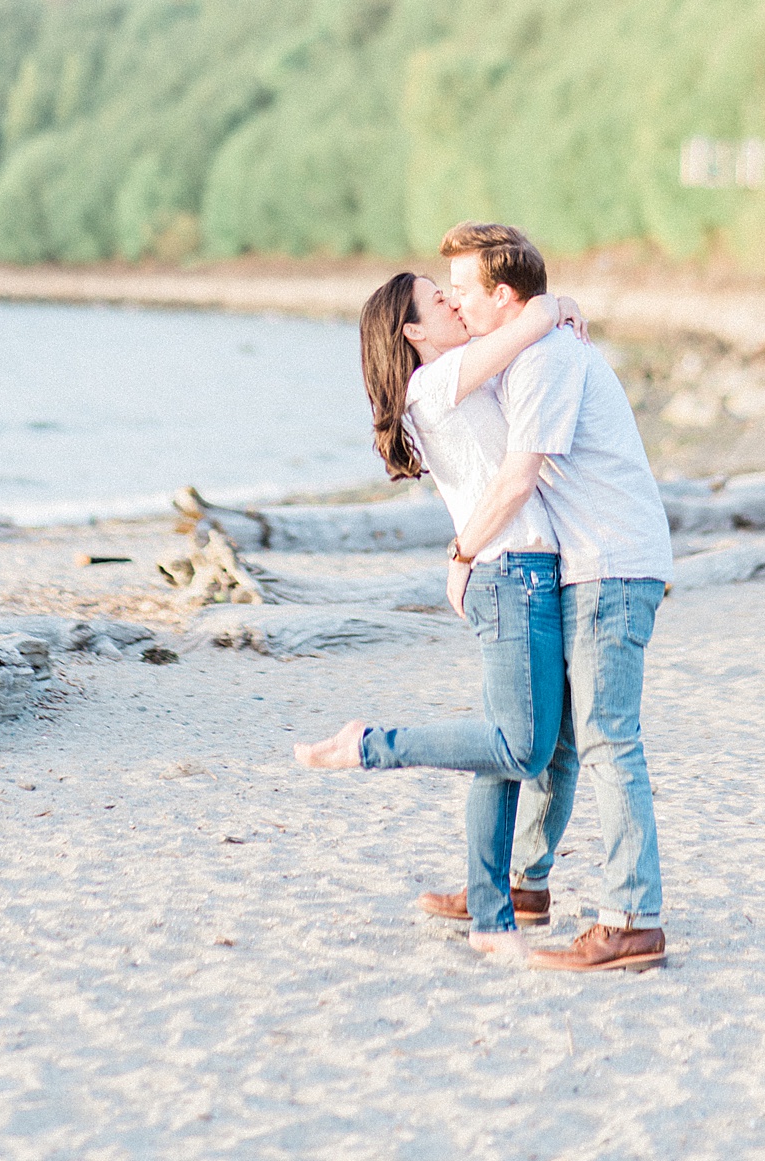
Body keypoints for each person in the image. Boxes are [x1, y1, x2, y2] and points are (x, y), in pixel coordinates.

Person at [291, 274, 582, 960]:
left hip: (525, 571)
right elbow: (527, 325)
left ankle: (493, 913)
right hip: (509, 574)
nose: (453, 301)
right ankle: (369, 743)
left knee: (518, 751)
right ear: (413, 332)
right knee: (518, 748)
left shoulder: (451, 378)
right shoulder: (433, 381)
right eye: (437, 298)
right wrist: (555, 304)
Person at [440, 219, 676, 974]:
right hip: (593, 562)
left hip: (610, 563)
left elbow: (518, 475)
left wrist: (462, 553)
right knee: (566, 743)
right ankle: (525, 882)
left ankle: (631, 919)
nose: (455, 307)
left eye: (462, 292)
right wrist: (557, 301)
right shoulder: (536, 342)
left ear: (502, 296)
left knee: (607, 737)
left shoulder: (543, 358)